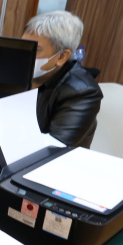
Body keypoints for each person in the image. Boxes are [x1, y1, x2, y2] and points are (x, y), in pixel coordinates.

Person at [22, 10, 103, 148]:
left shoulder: (83, 93)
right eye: (23, 45)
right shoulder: (16, 72)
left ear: (61, 57)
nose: (25, 54)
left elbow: (55, 146)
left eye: (36, 49)